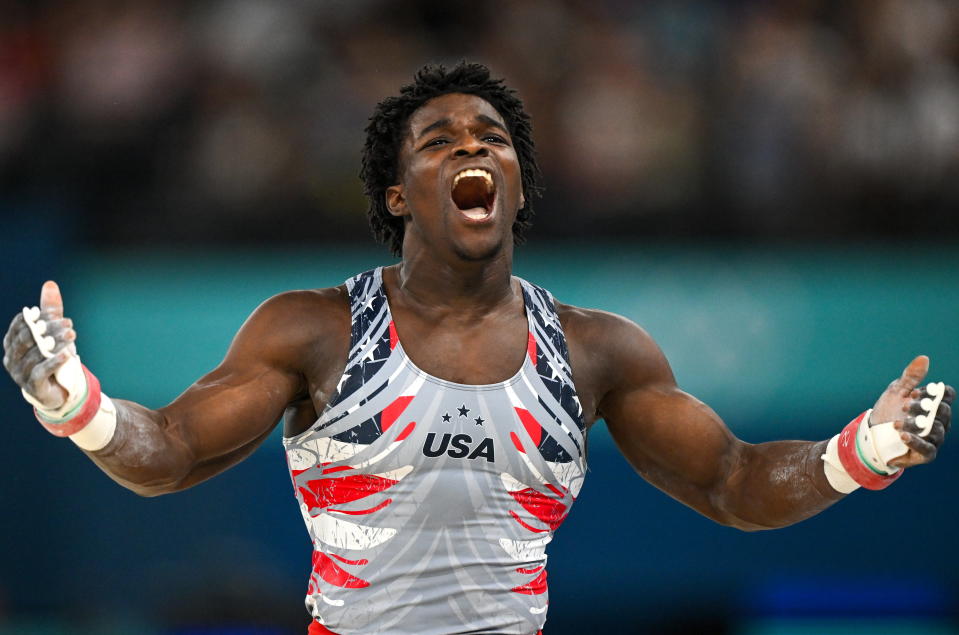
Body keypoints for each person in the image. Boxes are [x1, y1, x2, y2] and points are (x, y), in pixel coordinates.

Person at [3, 62, 954, 635]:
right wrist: (74, 400)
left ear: (516, 186)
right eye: (440, 138)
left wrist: (861, 452)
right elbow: (167, 451)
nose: (474, 146)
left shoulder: (594, 353)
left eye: (493, 136)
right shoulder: (314, 331)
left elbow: (733, 482)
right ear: (397, 192)